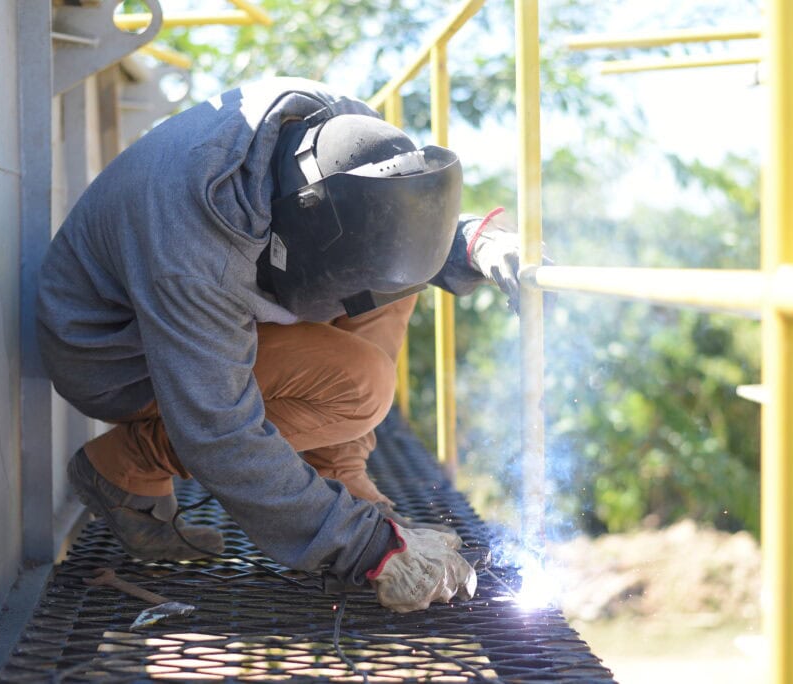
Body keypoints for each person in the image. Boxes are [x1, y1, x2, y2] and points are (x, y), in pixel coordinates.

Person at [36, 77, 525, 613]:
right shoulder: (198, 241)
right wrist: (366, 548)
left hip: (205, 298)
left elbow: (389, 216)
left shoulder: (337, 129)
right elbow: (218, 430)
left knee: (393, 273)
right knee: (361, 386)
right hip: (113, 355)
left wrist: (471, 241)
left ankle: (339, 478)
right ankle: (127, 466)